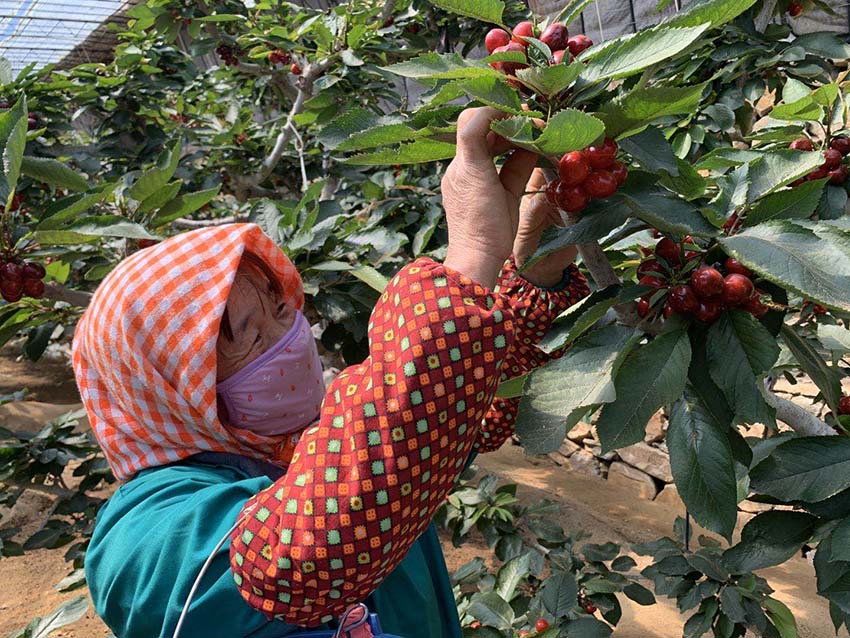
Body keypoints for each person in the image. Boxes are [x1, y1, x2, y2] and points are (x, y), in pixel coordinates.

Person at [74, 107, 589, 638]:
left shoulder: (315, 441)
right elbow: (292, 559)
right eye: (245, 335)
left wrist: (532, 269)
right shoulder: (146, 542)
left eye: (280, 310)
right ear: (169, 390)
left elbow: (456, 416)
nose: (288, 341)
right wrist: (473, 254)